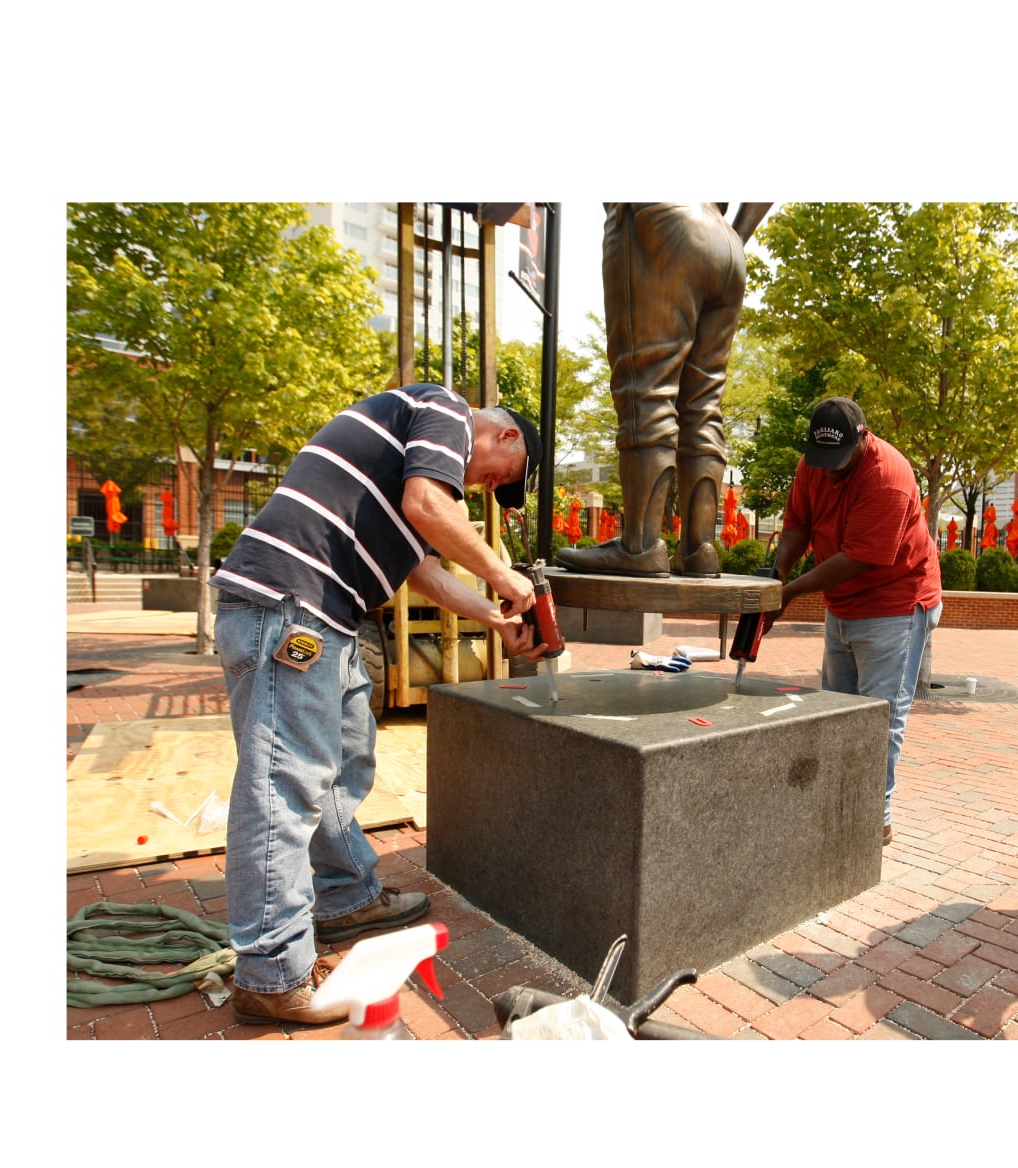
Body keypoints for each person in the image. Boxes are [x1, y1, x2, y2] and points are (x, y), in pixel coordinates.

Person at [208, 383, 543, 1024]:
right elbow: (428, 505)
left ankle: (344, 896)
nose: (484, 487)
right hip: (289, 606)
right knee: (284, 786)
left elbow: (425, 571)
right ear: (504, 435)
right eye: (500, 475)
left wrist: (497, 619)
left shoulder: (411, 470)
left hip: (325, 615)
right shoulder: (443, 409)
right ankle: (271, 972)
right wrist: (504, 575)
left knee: (345, 760)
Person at [770, 397, 943, 844]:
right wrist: (776, 576)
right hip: (842, 605)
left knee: (877, 716)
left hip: (895, 605)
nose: (829, 472)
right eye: (822, 461)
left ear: (863, 438)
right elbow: (797, 525)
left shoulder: (888, 477)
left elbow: (860, 558)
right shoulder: (814, 464)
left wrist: (790, 593)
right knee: (836, 708)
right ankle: (838, 804)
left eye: (839, 462)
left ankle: (872, 819)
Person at [556, 202, 748, 578]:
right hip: (726, 240)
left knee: (646, 389)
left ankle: (639, 547)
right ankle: (699, 549)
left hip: (658, 217)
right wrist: (737, 234)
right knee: (704, 402)